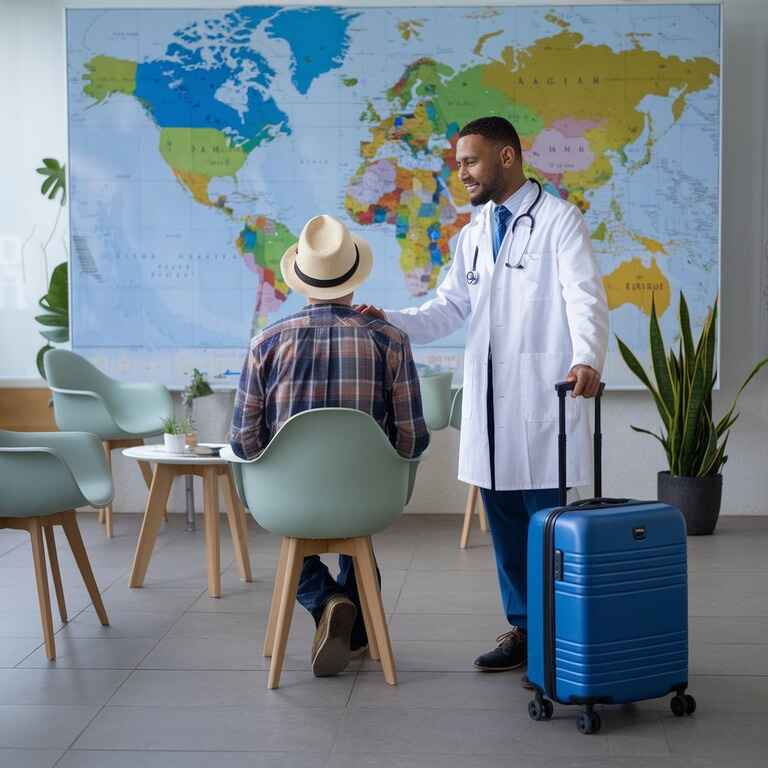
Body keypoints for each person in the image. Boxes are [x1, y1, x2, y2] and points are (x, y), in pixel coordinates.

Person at [359, 116, 608, 685]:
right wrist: (388, 320)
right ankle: (523, 631)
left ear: (507, 157)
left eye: (470, 161)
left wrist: (588, 357)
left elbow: (584, 297)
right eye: (459, 163)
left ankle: (559, 638)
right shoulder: (473, 232)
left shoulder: (558, 221)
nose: (462, 172)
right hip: (492, 409)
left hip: (545, 400)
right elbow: (447, 309)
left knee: (547, 526)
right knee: (504, 527)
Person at [230, 213, 430, 678]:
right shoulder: (391, 341)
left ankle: (326, 600)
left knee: (293, 543)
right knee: (357, 540)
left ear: (301, 281)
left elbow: (243, 441)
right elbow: (413, 437)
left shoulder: (266, 343)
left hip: (287, 502)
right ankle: (353, 628)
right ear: (354, 278)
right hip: (367, 500)